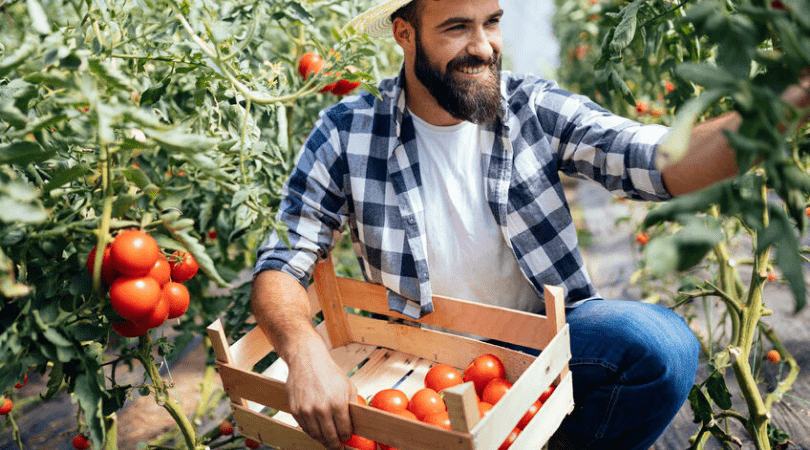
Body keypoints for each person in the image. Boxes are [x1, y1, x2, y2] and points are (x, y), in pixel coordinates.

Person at [250, 0, 810, 449]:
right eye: (456, 27)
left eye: (491, 22)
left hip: (546, 343)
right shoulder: (348, 131)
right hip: (425, 360)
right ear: (405, 34)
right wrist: (304, 354)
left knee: (661, 347)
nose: (483, 45)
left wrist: (793, 97)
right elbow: (284, 261)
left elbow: (662, 159)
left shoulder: (530, 106)